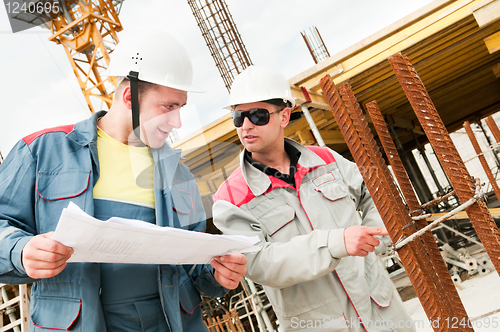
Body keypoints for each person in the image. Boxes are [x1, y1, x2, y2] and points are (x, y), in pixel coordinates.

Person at [0, 29, 247, 332]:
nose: (177, 122)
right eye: (168, 107)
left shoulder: (178, 173)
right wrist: (21, 251)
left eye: (180, 108)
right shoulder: (42, 151)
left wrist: (217, 273)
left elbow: (194, 266)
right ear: (129, 97)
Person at [212, 65, 415, 332]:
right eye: (239, 117)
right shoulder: (230, 198)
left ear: (284, 116)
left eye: (258, 115)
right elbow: (259, 263)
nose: (246, 125)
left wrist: (373, 241)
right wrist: (335, 244)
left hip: (382, 315)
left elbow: (377, 195)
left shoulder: (325, 159)